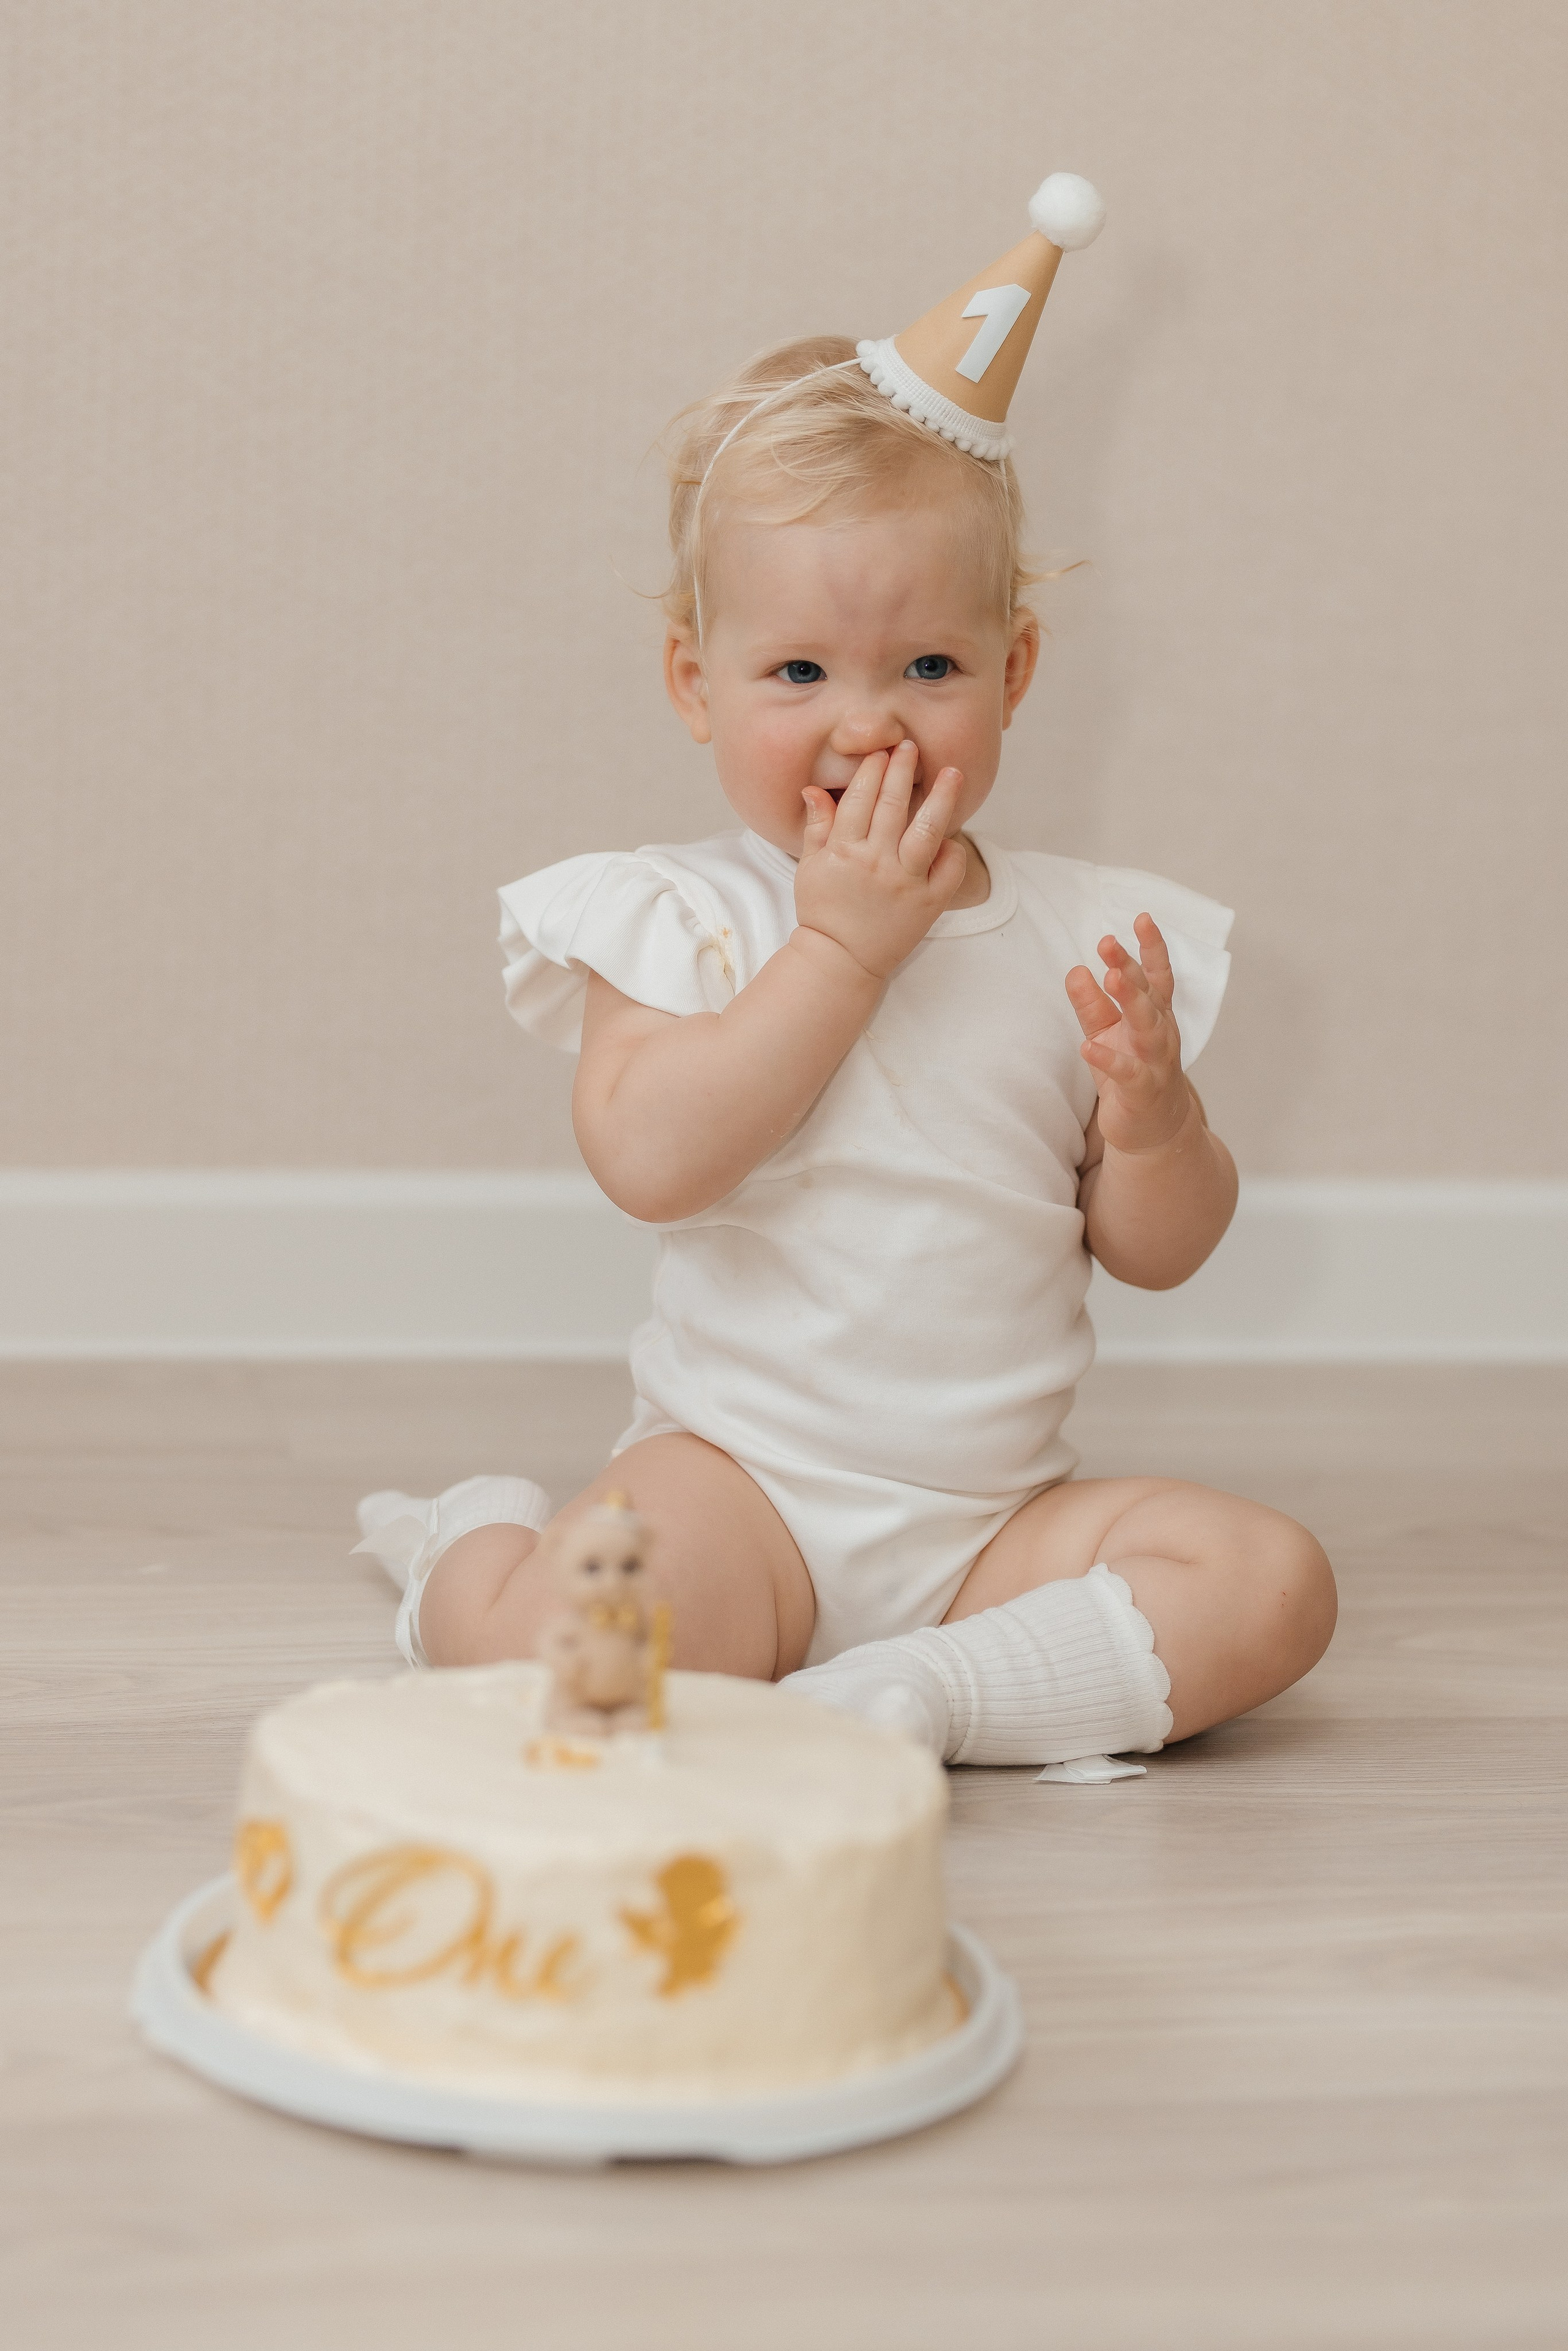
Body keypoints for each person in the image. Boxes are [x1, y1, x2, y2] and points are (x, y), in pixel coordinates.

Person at [356, 178, 1335, 1780]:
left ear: (1014, 676)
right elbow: (650, 1162)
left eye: (930, 669)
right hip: (735, 1494)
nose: (868, 722)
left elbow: (1160, 1253)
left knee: (1272, 1585)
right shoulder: (682, 915)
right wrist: (837, 948)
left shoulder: (1084, 936)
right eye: (798, 672)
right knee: (567, 1660)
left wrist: (1154, 1120)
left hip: (991, 1523)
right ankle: (466, 1552)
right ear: (697, 683)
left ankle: (930, 1693)